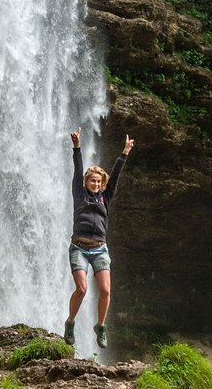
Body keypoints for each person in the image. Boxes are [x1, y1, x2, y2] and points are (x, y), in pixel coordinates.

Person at [64, 127, 134, 348]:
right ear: (86, 183)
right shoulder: (79, 193)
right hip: (79, 247)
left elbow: (115, 177)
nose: (95, 184)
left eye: (98, 181)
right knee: (82, 289)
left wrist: (125, 152)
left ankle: (100, 326)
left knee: (105, 290)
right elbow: (77, 170)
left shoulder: (106, 196)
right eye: (92, 181)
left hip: (100, 248)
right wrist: (77, 147)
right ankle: (70, 322)